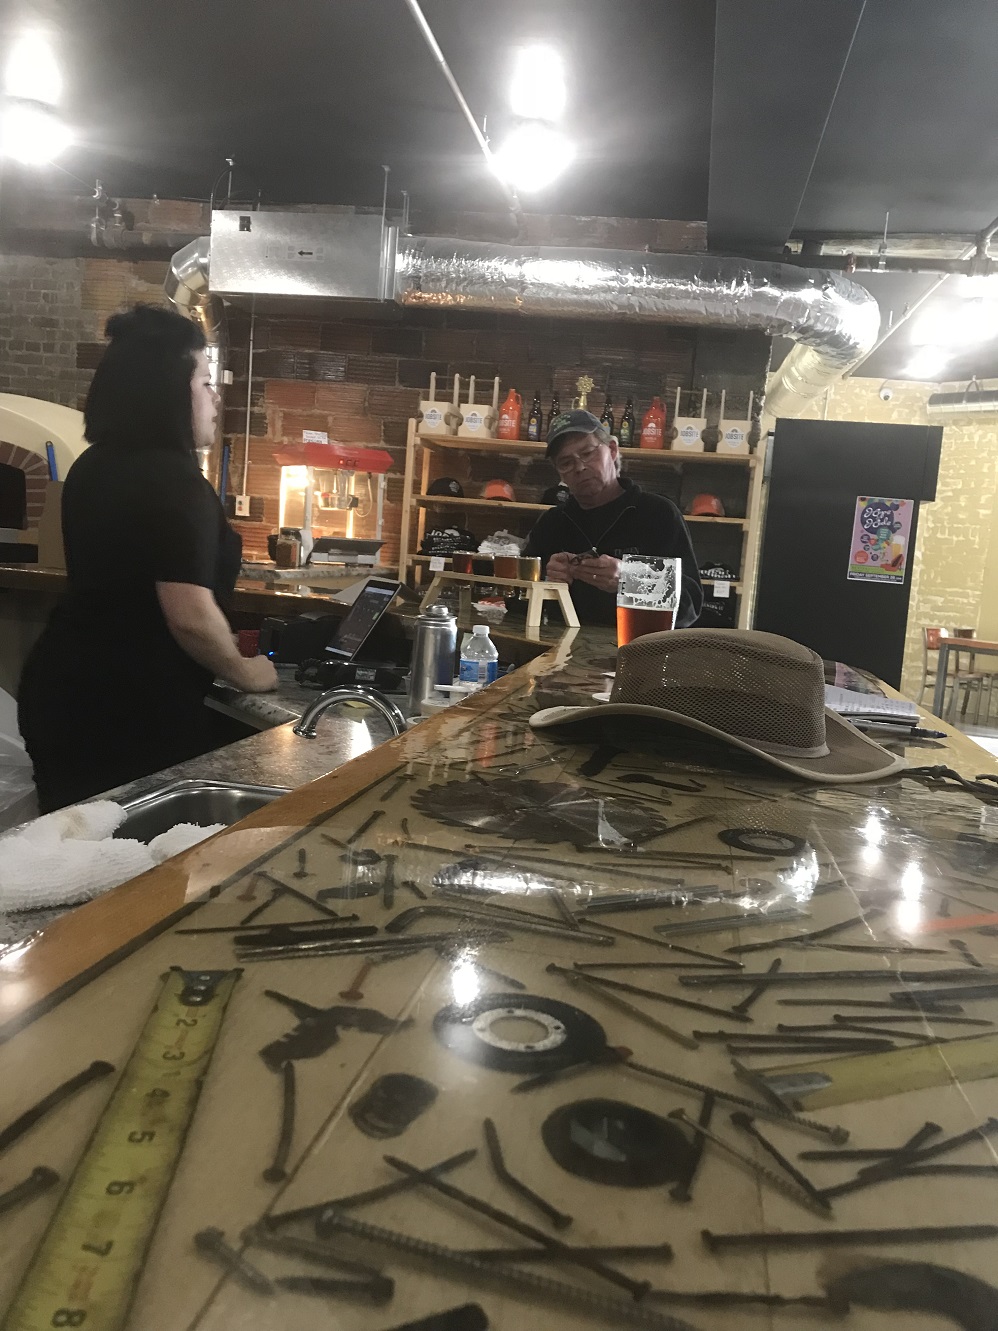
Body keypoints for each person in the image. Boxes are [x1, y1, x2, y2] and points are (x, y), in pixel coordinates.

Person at [18, 305, 277, 812]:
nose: (215, 397)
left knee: (75, 844)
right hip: (129, 709)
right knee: (139, 853)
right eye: (205, 382)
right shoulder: (176, 483)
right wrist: (249, 673)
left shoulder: (93, 464)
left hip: (62, 688)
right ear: (169, 391)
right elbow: (189, 614)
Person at [523, 410, 703, 626]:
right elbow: (516, 602)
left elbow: (690, 606)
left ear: (612, 450)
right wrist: (545, 580)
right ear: (558, 471)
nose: (579, 467)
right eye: (566, 462)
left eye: (587, 453)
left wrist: (630, 578)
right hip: (559, 646)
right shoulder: (552, 523)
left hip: (639, 645)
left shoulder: (658, 514)